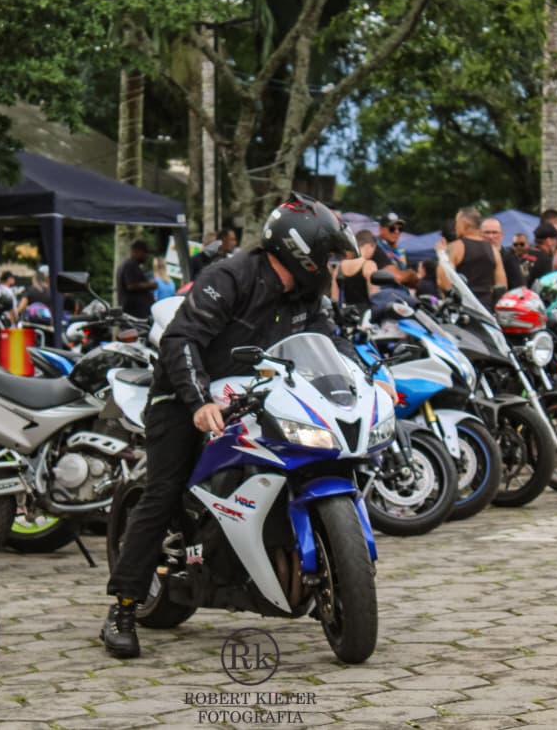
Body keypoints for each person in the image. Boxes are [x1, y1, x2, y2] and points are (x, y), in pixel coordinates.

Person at [101, 196, 362, 659]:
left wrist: (359, 374)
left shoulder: (306, 294)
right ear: (302, 253)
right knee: (163, 491)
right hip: (183, 395)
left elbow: (329, 342)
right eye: (330, 257)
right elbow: (182, 339)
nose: (334, 267)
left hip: (257, 395)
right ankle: (123, 607)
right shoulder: (229, 277)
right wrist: (198, 401)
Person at [439, 207, 505, 309]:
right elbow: (501, 285)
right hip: (486, 308)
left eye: (457, 222)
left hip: (463, 310)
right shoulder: (493, 250)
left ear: (464, 224)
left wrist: (441, 253)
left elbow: (442, 280)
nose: (455, 226)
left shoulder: (455, 247)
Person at [370, 213, 418, 289]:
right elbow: (398, 277)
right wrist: (409, 275)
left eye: (400, 229)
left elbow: (413, 282)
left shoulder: (400, 250)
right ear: (381, 229)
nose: (397, 232)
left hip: (401, 293)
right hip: (386, 293)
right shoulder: (374, 245)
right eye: (392, 228)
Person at [333, 229, 378, 308]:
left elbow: (334, 298)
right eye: (374, 249)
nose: (373, 254)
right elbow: (375, 296)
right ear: (370, 245)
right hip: (365, 315)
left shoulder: (339, 266)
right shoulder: (369, 265)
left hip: (347, 315)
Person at [481, 217, 525, 291]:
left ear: (501, 235)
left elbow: (519, 287)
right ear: (480, 234)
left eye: (494, 232)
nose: (491, 236)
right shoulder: (475, 255)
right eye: (487, 232)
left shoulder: (509, 257)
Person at [116, 240, 156, 319]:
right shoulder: (130, 265)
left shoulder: (129, 264)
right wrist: (151, 285)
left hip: (134, 312)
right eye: (145, 253)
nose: (147, 256)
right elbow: (131, 285)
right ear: (136, 251)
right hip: (135, 313)